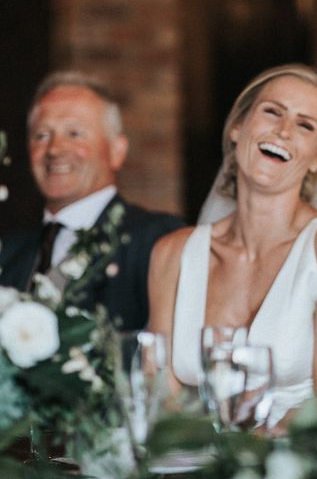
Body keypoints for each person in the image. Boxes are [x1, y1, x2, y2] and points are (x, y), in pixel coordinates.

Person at [147, 63, 317, 461]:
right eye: (272, 112)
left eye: (305, 125)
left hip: (302, 462)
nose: (283, 131)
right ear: (237, 128)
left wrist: (251, 457)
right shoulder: (171, 254)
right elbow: (161, 392)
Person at [0, 71, 184, 330]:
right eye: (42, 135)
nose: (54, 149)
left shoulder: (157, 240)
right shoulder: (7, 252)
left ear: (117, 151)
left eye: (74, 133)